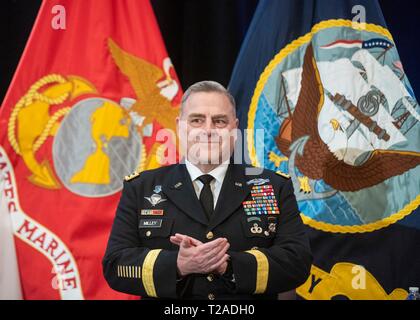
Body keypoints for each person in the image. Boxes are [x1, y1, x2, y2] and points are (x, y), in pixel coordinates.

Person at [102, 81, 312, 299]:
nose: (208, 130)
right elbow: (115, 264)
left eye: (219, 121)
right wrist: (178, 265)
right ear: (179, 126)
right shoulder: (141, 188)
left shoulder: (274, 186)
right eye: (196, 120)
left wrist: (228, 266)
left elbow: (298, 262)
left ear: (234, 128)